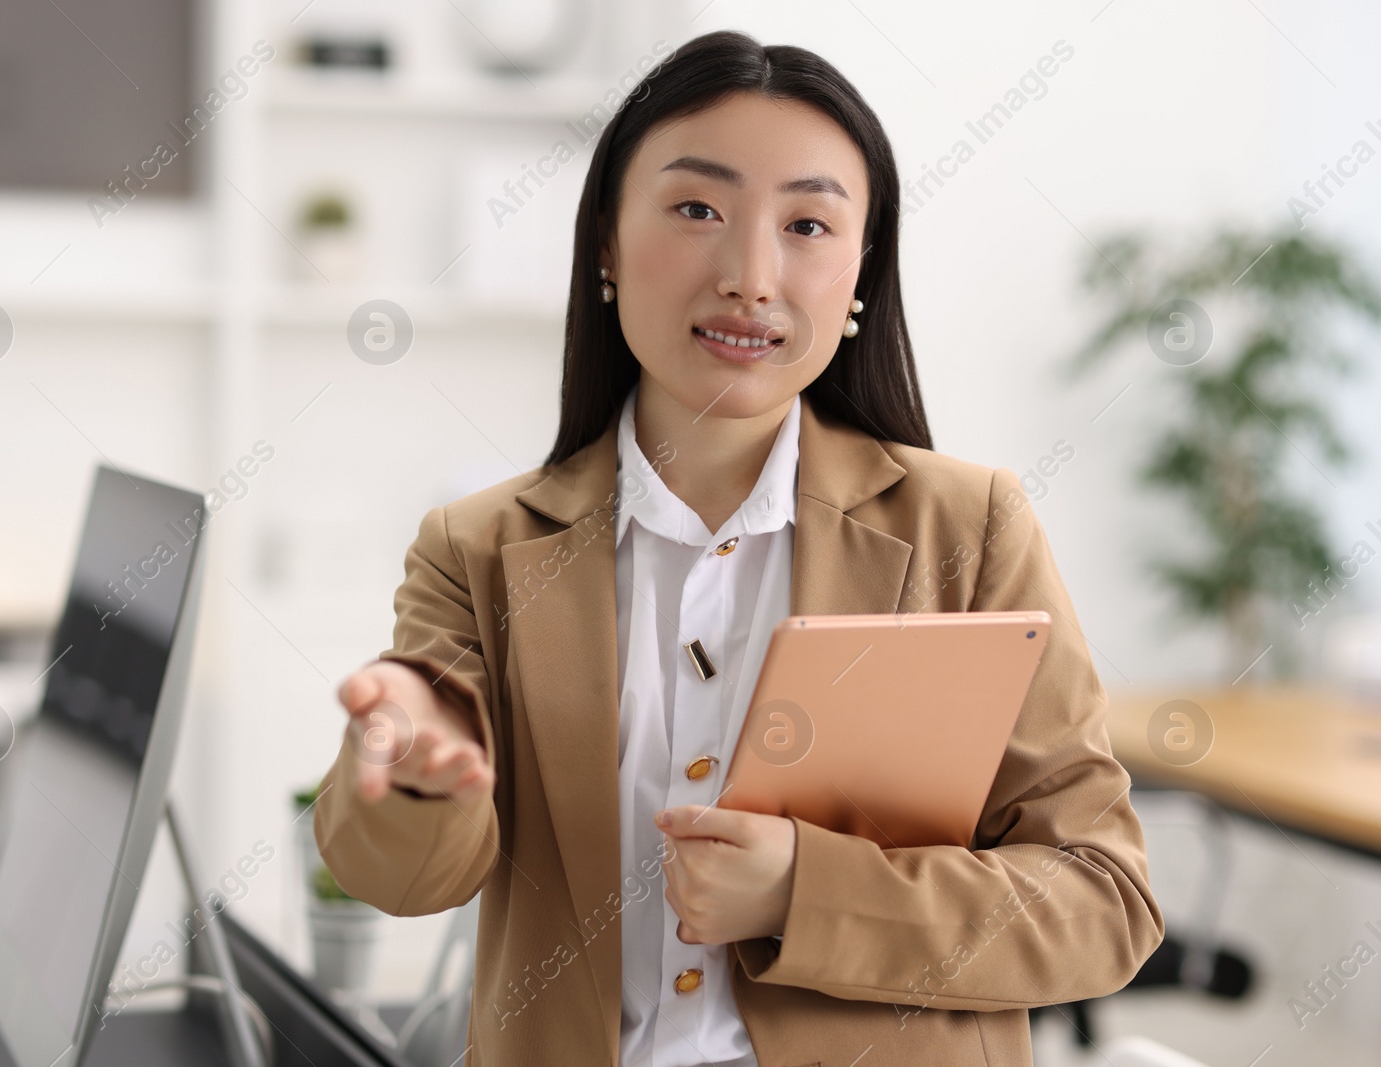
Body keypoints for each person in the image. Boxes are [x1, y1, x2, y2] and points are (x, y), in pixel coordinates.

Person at [313, 28, 1163, 1067]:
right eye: (697, 209)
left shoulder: (969, 529)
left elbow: (1104, 900)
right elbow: (401, 877)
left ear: (860, 273)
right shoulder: (479, 547)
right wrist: (412, 781)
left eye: (807, 223)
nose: (751, 275)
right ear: (606, 247)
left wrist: (806, 888)